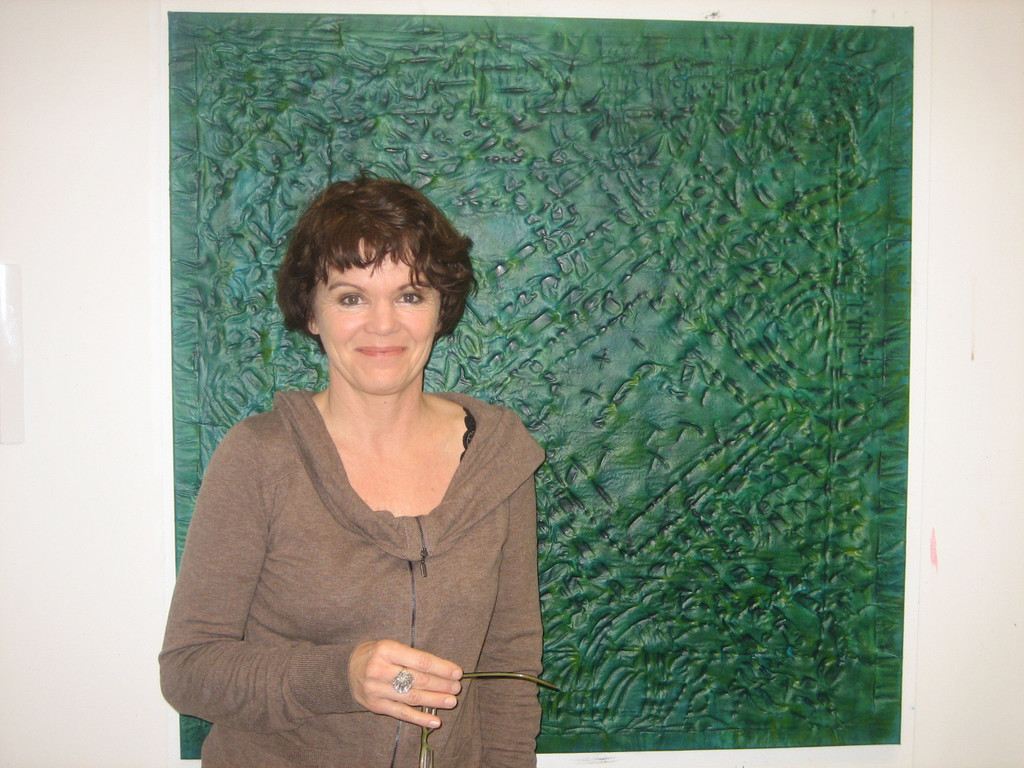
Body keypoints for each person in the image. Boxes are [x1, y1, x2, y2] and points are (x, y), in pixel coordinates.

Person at [160, 174, 547, 767]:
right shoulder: (258, 457)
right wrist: (340, 676)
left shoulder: (498, 458)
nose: (383, 325)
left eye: (410, 295)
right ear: (312, 314)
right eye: (350, 298)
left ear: (440, 311)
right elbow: (189, 670)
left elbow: (510, 663)